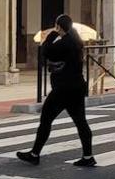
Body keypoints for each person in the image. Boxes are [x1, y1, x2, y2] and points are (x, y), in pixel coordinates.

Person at [18, 14, 95, 167]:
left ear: (59, 26)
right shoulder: (76, 41)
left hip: (63, 89)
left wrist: (50, 36)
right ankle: (88, 156)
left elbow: (46, 51)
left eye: (56, 27)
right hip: (77, 87)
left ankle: (35, 154)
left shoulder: (65, 43)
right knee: (81, 122)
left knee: (46, 119)